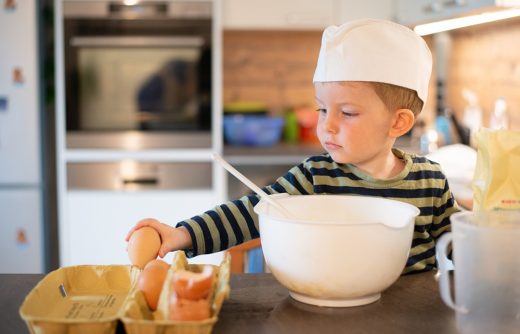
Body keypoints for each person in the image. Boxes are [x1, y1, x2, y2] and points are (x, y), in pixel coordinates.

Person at [126, 19, 459, 274]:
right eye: (322, 109)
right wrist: (181, 235)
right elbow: (248, 213)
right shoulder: (315, 177)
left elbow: (463, 247)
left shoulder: (429, 181)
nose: (326, 125)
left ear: (398, 123)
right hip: (324, 310)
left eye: (347, 113)